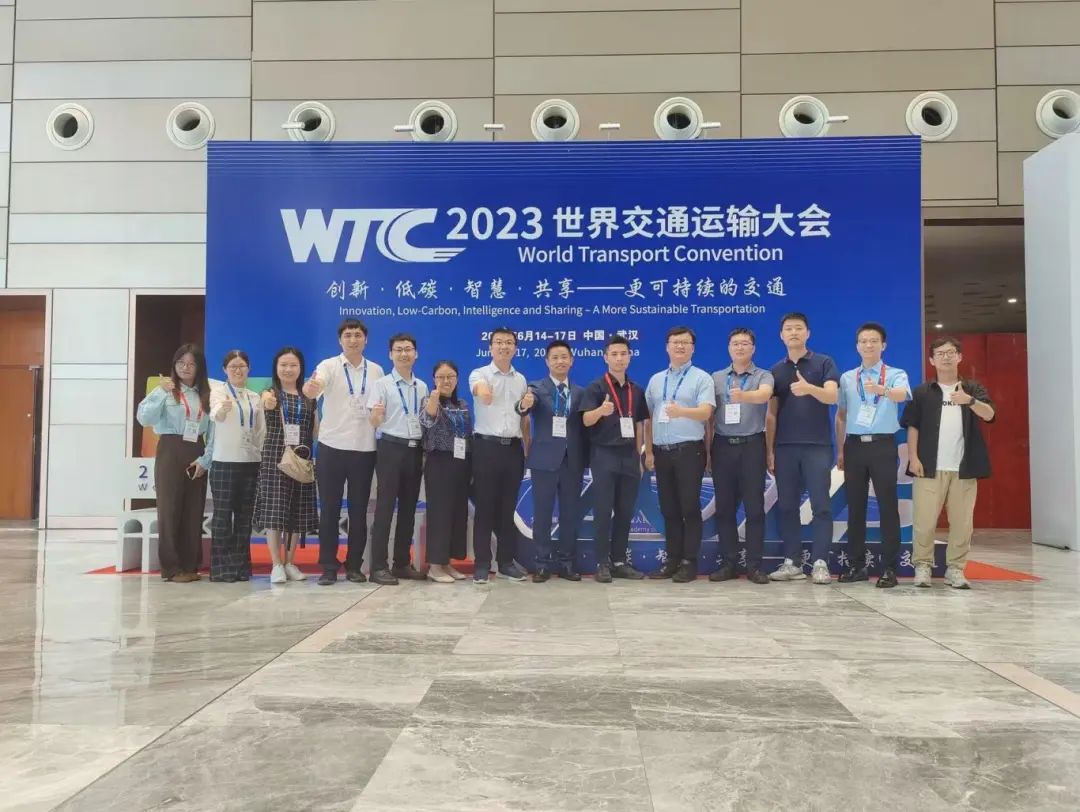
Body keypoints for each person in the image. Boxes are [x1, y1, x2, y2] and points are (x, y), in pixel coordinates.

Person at [902, 336, 996, 589]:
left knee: (963, 524)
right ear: (932, 360)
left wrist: (970, 401)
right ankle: (922, 566)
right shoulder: (922, 392)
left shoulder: (972, 388)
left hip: (964, 468)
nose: (946, 357)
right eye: (940, 353)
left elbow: (990, 415)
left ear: (960, 357)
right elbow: (912, 426)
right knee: (924, 522)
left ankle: (955, 569)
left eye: (951, 352)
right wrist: (913, 457)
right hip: (928, 467)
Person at [303, 319, 384, 586]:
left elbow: (378, 407)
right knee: (329, 510)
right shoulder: (329, 366)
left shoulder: (376, 370)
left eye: (358, 335)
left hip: (364, 449)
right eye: (348, 335)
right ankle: (328, 566)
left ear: (366, 340)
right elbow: (314, 387)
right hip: (332, 447)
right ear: (340, 340)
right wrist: (311, 388)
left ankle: (354, 566)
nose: (353, 339)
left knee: (359, 511)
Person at [835, 322, 911, 588]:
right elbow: (841, 415)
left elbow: (902, 396)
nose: (868, 345)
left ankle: (889, 568)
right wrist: (841, 449)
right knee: (855, 507)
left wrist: (883, 391)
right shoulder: (847, 378)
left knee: (887, 506)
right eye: (864, 341)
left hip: (883, 446)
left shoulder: (895, 374)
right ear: (857, 346)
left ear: (883, 345)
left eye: (874, 341)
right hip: (854, 446)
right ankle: (856, 565)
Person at [767, 312, 840, 585]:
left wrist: (809, 388)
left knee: (821, 506)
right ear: (781, 335)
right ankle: (793, 562)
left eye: (798, 328)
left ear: (807, 333)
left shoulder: (824, 362)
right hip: (785, 447)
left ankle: (820, 562)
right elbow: (771, 414)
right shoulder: (776, 370)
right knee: (787, 507)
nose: (794, 332)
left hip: (817, 446)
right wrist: (769, 450)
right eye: (788, 329)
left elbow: (832, 396)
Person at [644, 326, 716, 583]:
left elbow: (706, 413)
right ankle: (672, 560)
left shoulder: (701, 378)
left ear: (692, 348)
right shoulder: (656, 380)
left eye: (685, 342)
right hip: (662, 452)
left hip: (689, 451)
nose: (680, 346)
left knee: (689, 507)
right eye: (675, 342)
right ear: (667, 347)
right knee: (669, 509)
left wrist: (682, 412)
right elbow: (649, 418)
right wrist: (649, 451)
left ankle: (689, 562)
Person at [137, 343, 213, 583]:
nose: (185, 368)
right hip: (170, 449)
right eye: (181, 363)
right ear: (174, 365)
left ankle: (190, 565)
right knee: (169, 508)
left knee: (193, 509)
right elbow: (144, 418)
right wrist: (162, 392)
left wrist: (205, 460)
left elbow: (212, 432)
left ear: (199, 367)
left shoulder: (206, 394)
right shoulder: (164, 390)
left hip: (196, 449)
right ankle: (171, 568)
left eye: (191, 364)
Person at [706, 328, 774, 585]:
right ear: (729, 348)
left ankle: (754, 566)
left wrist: (743, 396)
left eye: (745, 343)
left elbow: (765, 395)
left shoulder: (763, 375)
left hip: (752, 445)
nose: (740, 347)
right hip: (723, 445)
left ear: (753, 348)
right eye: (735, 343)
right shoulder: (716, 378)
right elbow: (709, 418)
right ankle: (729, 563)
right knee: (724, 508)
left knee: (754, 508)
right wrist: (708, 451)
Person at [581, 334, 649, 583]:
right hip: (604, 455)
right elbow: (585, 420)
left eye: (623, 354)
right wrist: (600, 411)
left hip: (629, 456)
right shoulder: (596, 388)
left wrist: (639, 455)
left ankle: (619, 561)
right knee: (603, 509)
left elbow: (640, 424)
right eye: (614, 354)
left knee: (625, 510)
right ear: (605, 357)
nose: (619, 358)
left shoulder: (636, 390)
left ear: (630, 357)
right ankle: (602, 563)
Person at [522, 340, 588, 583]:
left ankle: (567, 563)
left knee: (570, 514)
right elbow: (524, 407)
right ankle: (541, 563)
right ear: (547, 361)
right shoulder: (536, 388)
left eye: (564, 357)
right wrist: (524, 403)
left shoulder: (580, 392)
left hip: (573, 461)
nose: (560, 361)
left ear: (572, 361)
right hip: (544, 461)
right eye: (555, 357)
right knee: (542, 513)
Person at [469, 328, 531, 584]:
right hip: (486, 448)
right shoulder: (480, 374)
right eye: (499, 342)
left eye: (509, 343)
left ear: (515, 348)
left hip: (513, 449)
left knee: (508, 509)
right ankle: (482, 565)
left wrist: (527, 448)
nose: (504, 346)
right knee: (484, 508)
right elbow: (480, 392)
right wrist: (484, 391)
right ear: (490, 347)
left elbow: (523, 417)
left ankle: (506, 562)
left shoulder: (521, 379)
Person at [253, 347, 319, 585]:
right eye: (283, 365)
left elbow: (316, 431)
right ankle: (276, 564)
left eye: (293, 365)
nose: (288, 369)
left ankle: (290, 562)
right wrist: (265, 401)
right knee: (275, 510)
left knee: (296, 511)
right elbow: (261, 410)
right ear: (276, 368)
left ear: (300, 369)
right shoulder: (269, 394)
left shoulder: (308, 398)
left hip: (301, 458)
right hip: (275, 457)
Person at [367, 333, 429, 585]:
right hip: (390, 448)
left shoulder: (422, 386)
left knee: (408, 508)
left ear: (416, 354)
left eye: (408, 349)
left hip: (415, 449)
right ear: (390, 354)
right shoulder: (381, 384)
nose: (404, 354)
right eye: (399, 350)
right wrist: (376, 416)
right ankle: (378, 567)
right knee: (385, 508)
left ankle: (401, 563)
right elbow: (373, 420)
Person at [208, 350, 265, 582]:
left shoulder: (254, 397)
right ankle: (221, 568)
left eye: (242, 366)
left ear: (249, 369)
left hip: (250, 462)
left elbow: (260, 431)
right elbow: (215, 415)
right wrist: (222, 409)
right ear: (225, 370)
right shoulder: (218, 392)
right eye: (233, 366)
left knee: (244, 518)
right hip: (224, 461)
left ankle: (241, 567)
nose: (238, 370)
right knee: (222, 516)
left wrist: (262, 454)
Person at [420, 360, 471, 583]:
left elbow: (467, 433)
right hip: (439, 461)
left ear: (457, 379)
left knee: (456, 513)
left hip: (461, 462)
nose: (446, 381)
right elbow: (428, 419)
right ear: (434, 379)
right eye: (441, 377)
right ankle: (434, 565)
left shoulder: (462, 404)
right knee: (439, 513)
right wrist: (434, 397)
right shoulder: (429, 401)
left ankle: (447, 562)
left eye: (450, 376)